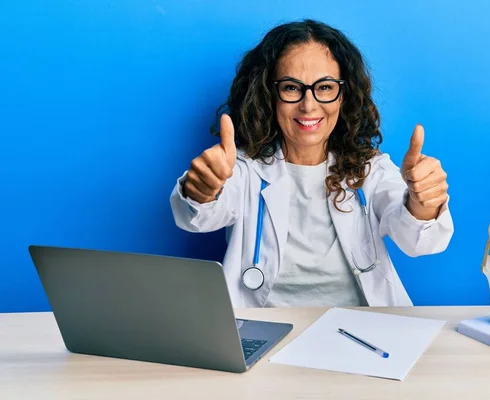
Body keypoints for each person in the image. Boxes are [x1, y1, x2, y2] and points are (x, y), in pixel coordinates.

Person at [170, 19, 454, 308]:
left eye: (325, 87)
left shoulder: (372, 170)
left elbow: (420, 242)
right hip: (268, 331)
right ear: (269, 95)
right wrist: (202, 191)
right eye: (292, 88)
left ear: (344, 95)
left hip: (361, 330)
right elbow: (196, 219)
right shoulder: (243, 169)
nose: (309, 105)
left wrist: (423, 202)